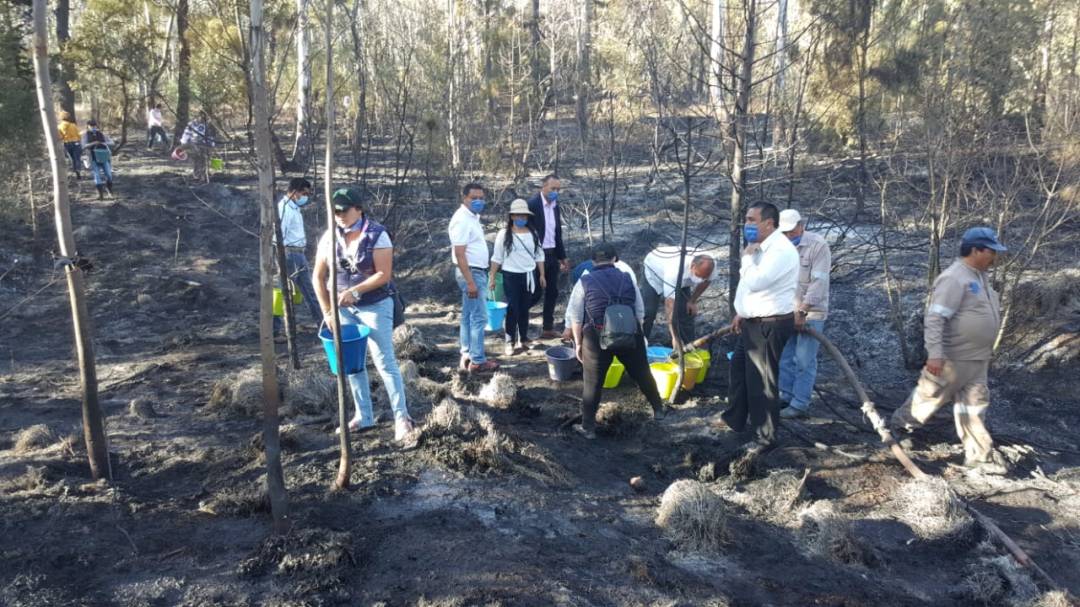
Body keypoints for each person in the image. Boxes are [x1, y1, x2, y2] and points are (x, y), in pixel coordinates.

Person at [891, 227, 1007, 473]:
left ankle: (978, 456)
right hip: (953, 358)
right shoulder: (954, 278)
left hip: (977, 358)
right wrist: (935, 353)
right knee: (928, 397)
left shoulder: (980, 277)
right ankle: (900, 428)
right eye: (991, 251)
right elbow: (935, 318)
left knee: (974, 405)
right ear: (975, 250)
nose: (995, 256)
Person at [312, 187, 416, 442]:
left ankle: (402, 417)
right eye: (335, 211)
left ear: (358, 209)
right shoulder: (329, 237)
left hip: (375, 305)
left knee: (384, 361)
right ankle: (363, 415)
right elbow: (318, 277)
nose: (339, 215)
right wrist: (328, 312)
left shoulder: (377, 235)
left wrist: (356, 291)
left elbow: (383, 274)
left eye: (343, 210)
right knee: (352, 363)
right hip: (342, 309)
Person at [721, 202, 799, 446]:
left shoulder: (780, 251)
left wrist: (745, 259)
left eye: (751, 220)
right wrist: (741, 312)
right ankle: (735, 420)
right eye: (746, 219)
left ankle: (765, 437)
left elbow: (756, 281)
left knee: (762, 382)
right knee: (739, 370)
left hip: (768, 325)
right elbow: (749, 287)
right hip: (752, 321)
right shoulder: (760, 247)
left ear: (769, 223)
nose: (747, 225)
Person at [569, 243, 666, 439]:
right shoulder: (627, 277)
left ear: (593, 261)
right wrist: (637, 334)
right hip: (630, 334)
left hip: (596, 337)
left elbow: (576, 316)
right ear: (615, 259)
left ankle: (588, 428)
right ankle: (658, 410)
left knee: (592, 383)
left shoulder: (584, 281)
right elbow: (640, 311)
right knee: (642, 374)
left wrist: (578, 343)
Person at [777, 209, 832, 419]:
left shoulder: (818, 246)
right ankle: (785, 395)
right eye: (784, 232)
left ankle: (799, 404)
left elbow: (819, 283)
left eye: (791, 231)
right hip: (786, 311)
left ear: (801, 226)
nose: (788, 236)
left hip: (811, 312)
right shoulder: (780, 246)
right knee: (785, 356)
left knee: (804, 360)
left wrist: (802, 311)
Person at [449, 182, 499, 372]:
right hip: (471, 273)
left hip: (475, 272)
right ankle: (478, 360)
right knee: (479, 317)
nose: (478, 201)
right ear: (464, 198)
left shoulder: (472, 217)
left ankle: (467, 355)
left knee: (468, 315)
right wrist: (470, 282)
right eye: (474, 198)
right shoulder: (462, 219)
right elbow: (460, 253)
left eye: (481, 198)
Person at [490, 199, 545, 356]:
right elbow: (497, 257)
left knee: (524, 307)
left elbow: (539, 255)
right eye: (518, 215)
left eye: (524, 216)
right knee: (513, 308)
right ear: (512, 216)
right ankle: (509, 341)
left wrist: (542, 274)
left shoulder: (533, 233)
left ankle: (524, 338)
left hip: (529, 275)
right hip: (511, 276)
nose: (521, 218)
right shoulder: (504, 234)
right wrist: (492, 277)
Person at [272, 178, 324, 341]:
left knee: (303, 291)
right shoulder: (284, 209)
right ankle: (275, 330)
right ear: (294, 192)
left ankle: (323, 324)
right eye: (304, 193)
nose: (306, 197)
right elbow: (278, 236)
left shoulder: (294, 208)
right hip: (290, 254)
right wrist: (281, 257)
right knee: (284, 292)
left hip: (297, 254)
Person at [641, 247, 718, 344]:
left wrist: (692, 301)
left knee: (685, 313)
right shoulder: (673, 271)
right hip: (654, 272)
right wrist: (674, 336)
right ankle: (641, 344)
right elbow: (669, 305)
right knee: (648, 312)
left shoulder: (711, 264)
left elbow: (707, 281)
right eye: (698, 276)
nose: (700, 280)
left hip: (682, 281)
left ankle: (688, 346)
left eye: (704, 277)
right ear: (692, 266)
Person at [527, 174, 569, 338]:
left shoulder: (555, 206)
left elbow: (557, 234)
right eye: (553, 189)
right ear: (543, 187)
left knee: (552, 292)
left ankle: (547, 328)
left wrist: (562, 257)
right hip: (536, 256)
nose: (555, 192)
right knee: (535, 293)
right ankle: (515, 318)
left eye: (558, 189)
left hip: (552, 255)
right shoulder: (532, 205)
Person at [562, 256, 638, 341]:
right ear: (613, 258)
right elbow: (639, 308)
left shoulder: (586, 278)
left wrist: (573, 334)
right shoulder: (627, 274)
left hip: (600, 324)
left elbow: (575, 309)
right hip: (620, 319)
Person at [81, 120, 114, 200]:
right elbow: (83, 146)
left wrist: (103, 143)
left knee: (109, 174)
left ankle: (109, 191)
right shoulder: (85, 135)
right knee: (97, 175)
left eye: (94, 126)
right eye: (91, 126)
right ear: (88, 126)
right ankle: (100, 195)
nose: (93, 127)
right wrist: (93, 143)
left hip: (103, 156)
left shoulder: (101, 133)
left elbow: (111, 142)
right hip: (92, 157)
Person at [179, 112, 216, 183]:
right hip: (194, 144)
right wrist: (184, 143)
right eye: (200, 116)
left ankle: (204, 175)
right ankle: (197, 175)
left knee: (205, 160)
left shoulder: (208, 124)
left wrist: (212, 144)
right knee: (197, 160)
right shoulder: (191, 124)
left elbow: (211, 136)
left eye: (203, 117)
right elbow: (186, 134)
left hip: (205, 145)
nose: (202, 118)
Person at [58, 111, 82, 180]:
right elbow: (78, 135)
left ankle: (70, 173)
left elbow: (60, 137)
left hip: (67, 143)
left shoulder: (59, 127)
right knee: (76, 158)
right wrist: (78, 141)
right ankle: (78, 171)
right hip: (76, 143)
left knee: (69, 158)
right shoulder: (73, 125)